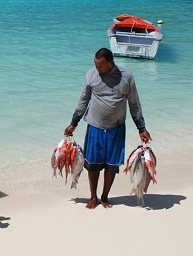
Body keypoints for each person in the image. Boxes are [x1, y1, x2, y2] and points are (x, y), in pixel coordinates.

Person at [64, 48, 152, 209]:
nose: (97, 69)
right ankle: (93, 197)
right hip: (95, 126)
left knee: (112, 166)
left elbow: (134, 103)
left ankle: (104, 196)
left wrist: (141, 128)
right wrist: (73, 123)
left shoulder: (126, 77)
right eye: (95, 65)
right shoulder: (91, 75)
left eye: (101, 66)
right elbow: (83, 100)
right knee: (93, 165)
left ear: (111, 63)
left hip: (116, 127)